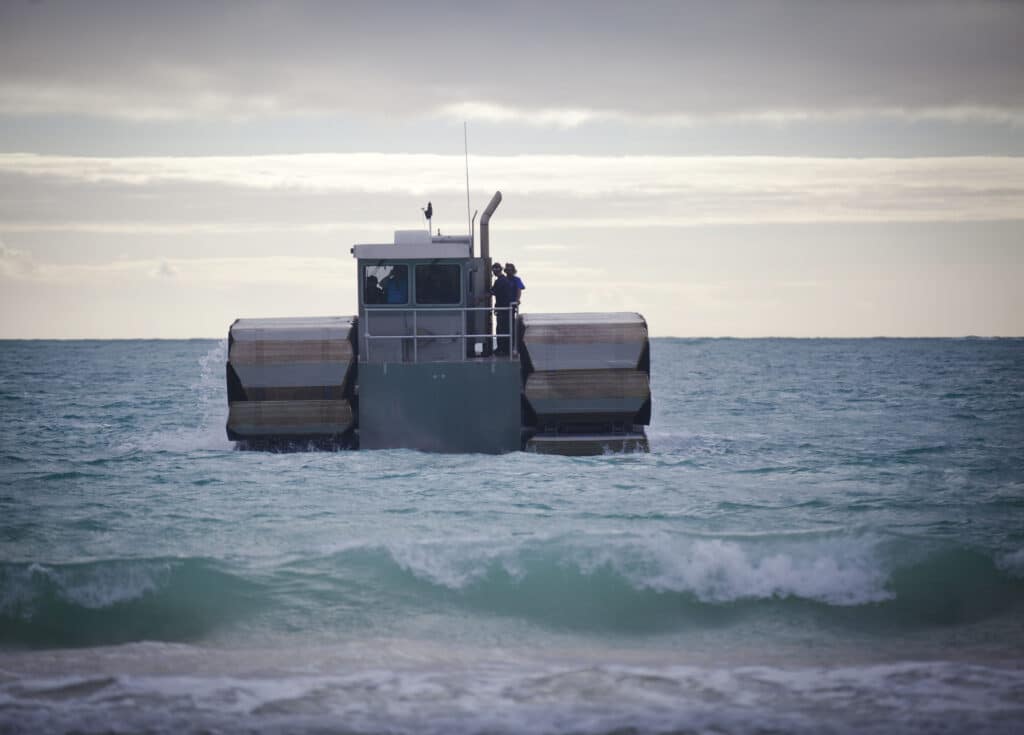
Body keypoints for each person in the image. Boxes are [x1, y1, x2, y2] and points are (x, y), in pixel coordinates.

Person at [488, 262, 515, 355]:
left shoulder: (500, 281)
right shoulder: (504, 280)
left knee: (501, 329)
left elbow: (493, 291)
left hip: (503, 309)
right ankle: (505, 349)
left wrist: (480, 298)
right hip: (505, 308)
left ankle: (502, 349)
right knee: (505, 329)